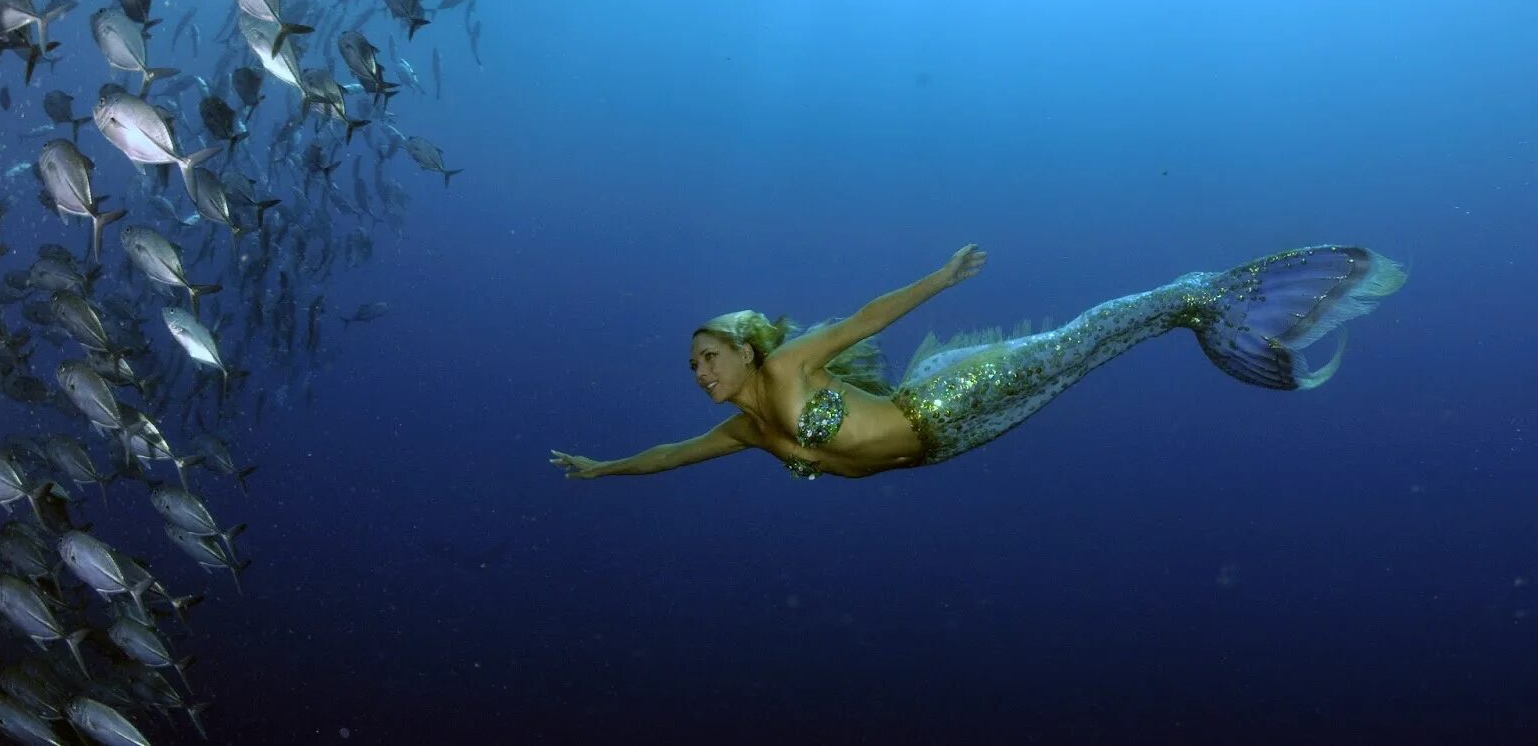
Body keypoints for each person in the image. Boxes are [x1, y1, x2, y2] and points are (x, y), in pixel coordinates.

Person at [549, 243, 1406, 481]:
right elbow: (667, 457)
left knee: (1082, 340)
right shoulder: (747, 429)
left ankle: (1209, 295)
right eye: (692, 368)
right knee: (1087, 357)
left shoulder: (785, 374)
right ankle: (1200, 308)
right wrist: (599, 469)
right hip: (948, 446)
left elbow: (864, 317)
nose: (699, 374)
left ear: (744, 350)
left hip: (948, 400)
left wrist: (945, 277)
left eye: (707, 357)